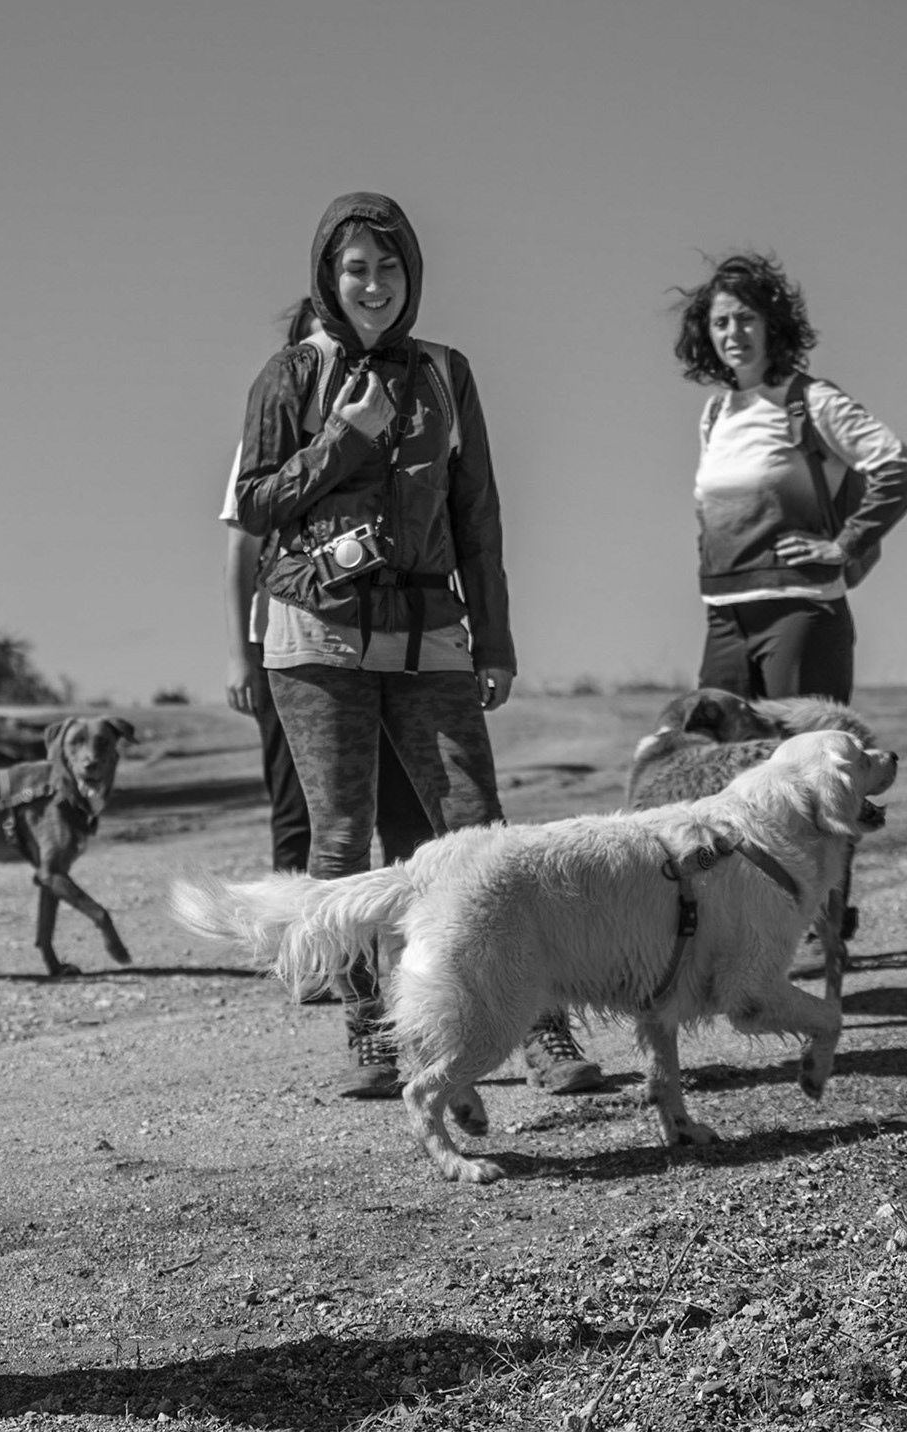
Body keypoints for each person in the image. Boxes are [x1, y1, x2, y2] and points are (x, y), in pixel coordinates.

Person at [230, 192, 601, 1099]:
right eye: (354, 267)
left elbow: (478, 512)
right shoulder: (289, 376)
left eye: (388, 266)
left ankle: (539, 1031)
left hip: (432, 629)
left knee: (478, 832)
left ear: (412, 275)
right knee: (344, 838)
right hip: (314, 636)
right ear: (327, 275)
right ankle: (374, 1036)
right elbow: (257, 504)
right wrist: (342, 440)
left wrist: (496, 638)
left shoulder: (446, 372)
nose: (372, 284)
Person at [222, 299, 434, 884]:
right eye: (315, 346)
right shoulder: (267, 434)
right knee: (303, 815)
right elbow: (243, 546)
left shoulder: (405, 425)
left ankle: (404, 963)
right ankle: (311, 968)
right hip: (288, 645)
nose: (338, 359)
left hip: (387, 637)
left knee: (402, 812)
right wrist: (242, 653)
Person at [673, 252, 907, 701]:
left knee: (803, 761)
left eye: (747, 318)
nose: (734, 333)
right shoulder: (716, 413)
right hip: (724, 615)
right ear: (706, 334)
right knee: (722, 761)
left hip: (800, 608)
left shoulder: (812, 400)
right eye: (721, 323)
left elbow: (899, 467)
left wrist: (844, 545)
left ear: (773, 325)